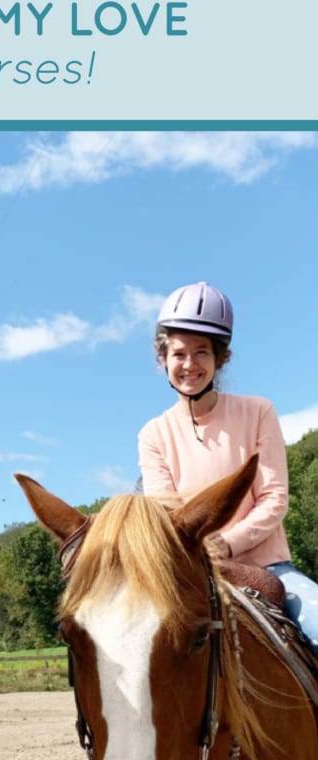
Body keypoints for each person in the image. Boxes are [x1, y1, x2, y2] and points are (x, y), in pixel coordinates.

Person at [138, 280, 318, 655]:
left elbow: (274, 499)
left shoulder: (258, 412)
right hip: (191, 574)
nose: (189, 364)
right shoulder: (153, 434)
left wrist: (224, 544)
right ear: (163, 359)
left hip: (270, 568)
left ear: (220, 358)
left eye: (201, 352)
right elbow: (167, 515)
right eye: (179, 353)